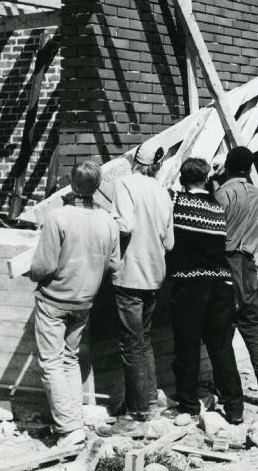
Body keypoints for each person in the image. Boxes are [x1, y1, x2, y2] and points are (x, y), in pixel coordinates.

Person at [29, 161, 120, 447]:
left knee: (51, 363)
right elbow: (114, 264)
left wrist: (33, 272)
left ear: (72, 184)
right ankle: (73, 422)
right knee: (70, 359)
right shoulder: (108, 221)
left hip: (54, 300)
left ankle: (68, 430)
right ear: (97, 186)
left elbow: (42, 266)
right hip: (84, 302)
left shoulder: (59, 218)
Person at [166, 157, 244, 424]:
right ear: (205, 179)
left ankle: (188, 406)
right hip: (221, 284)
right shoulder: (216, 206)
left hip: (191, 286)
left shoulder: (177, 202)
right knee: (222, 348)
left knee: (187, 347)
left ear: (182, 178)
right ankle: (235, 409)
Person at [111, 139, 175, 421]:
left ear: (136, 162)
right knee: (144, 339)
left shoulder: (125, 184)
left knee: (131, 344)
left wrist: (103, 223)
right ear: (157, 165)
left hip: (130, 274)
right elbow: (170, 243)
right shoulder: (163, 192)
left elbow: (124, 224)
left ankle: (137, 411)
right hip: (154, 274)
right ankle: (150, 397)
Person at [214, 146, 258, 407]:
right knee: (253, 325)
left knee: (223, 327)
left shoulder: (222, 193)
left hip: (226, 262)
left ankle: (227, 389)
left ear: (227, 166)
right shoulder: (256, 194)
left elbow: (216, 227)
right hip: (249, 264)